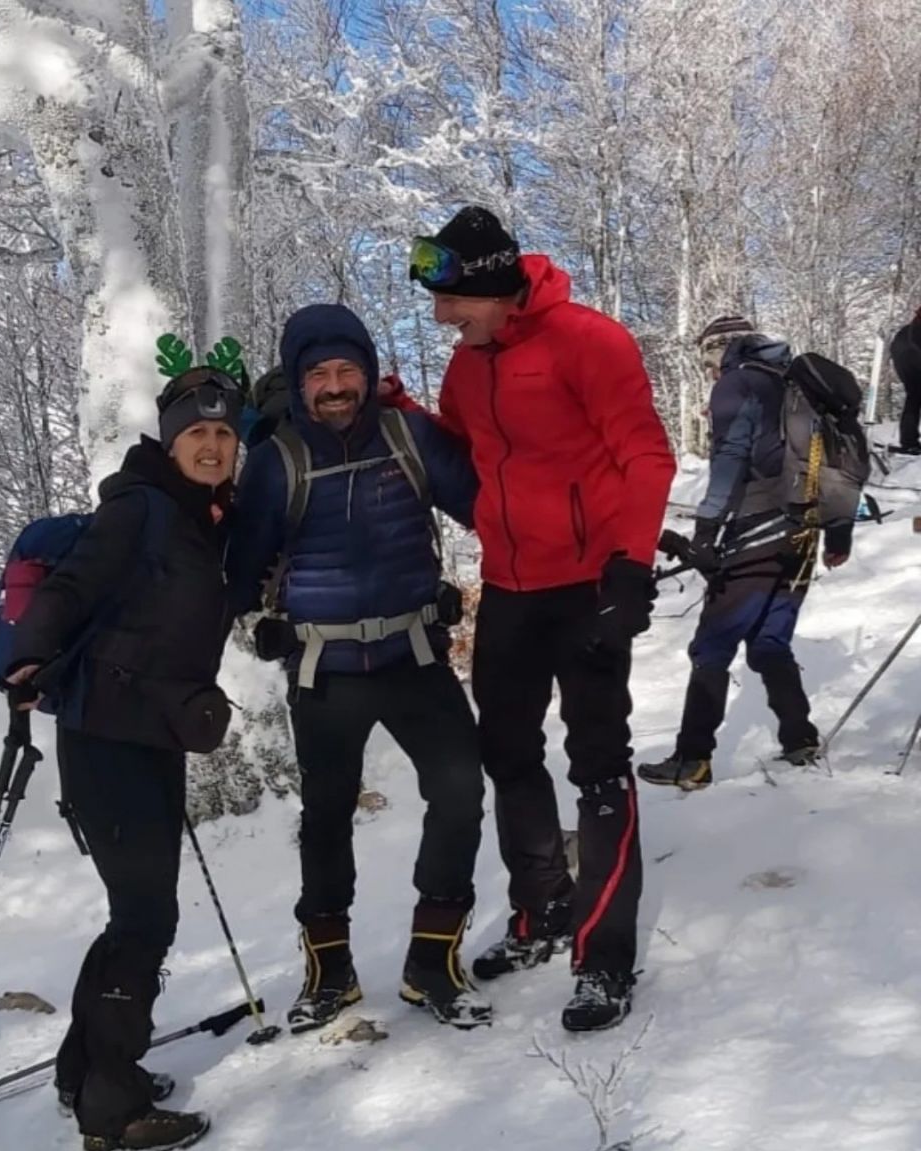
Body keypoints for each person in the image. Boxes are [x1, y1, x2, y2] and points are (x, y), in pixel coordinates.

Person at [386, 206, 675, 1032]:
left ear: (496, 287)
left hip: (588, 586)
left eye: (452, 300)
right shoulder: (468, 364)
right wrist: (406, 411)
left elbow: (646, 455)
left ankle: (604, 959)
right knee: (508, 754)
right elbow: (468, 447)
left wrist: (631, 566)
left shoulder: (590, 342)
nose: (442, 316)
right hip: (510, 587)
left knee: (598, 764)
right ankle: (543, 907)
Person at [226, 303, 491, 1033]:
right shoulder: (276, 462)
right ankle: (329, 972)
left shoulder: (408, 436)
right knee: (326, 817)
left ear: (370, 374)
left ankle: (432, 960)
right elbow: (238, 571)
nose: (336, 386)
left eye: (348, 370)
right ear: (298, 382)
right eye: (320, 374)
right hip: (325, 668)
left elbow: (488, 506)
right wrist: (250, 626)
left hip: (414, 654)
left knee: (461, 792)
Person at [3, 364, 241, 1151]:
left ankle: (84, 1072)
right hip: (107, 739)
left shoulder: (203, 517)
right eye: (196, 432)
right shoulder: (140, 508)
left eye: (223, 434)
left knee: (134, 915)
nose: (211, 445)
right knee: (145, 919)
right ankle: (112, 1108)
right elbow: (72, 587)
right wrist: (28, 655)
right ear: (169, 443)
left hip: (149, 736)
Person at [638, 316, 852, 790]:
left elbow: (730, 459)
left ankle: (692, 760)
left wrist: (707, 530)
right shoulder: (796, 385)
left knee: (712, 645)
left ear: (722, 348)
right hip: (804, 533)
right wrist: (840, 533)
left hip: (757, 529)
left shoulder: (738, 384)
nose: (709, 370)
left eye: (707, 359)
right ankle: (800, 741)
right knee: (769, 642)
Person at [888, 309, 921, 456]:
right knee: (915, 395)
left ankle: (909, 441)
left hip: (902, 349)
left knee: (914, 396)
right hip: (912, 350)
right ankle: (909, 441)